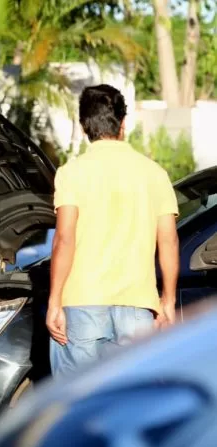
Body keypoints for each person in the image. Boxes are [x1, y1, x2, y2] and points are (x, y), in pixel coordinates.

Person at [46, 84, 180, 378]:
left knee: (76, 404)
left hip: (81, 303)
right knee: (129, 404)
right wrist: (167, 301)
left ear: (84, 126)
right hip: (137, 306)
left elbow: (64, 239)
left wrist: (54, 301)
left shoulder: (72, 172)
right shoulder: (154, 173)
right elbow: (168, 241)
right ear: (123, 123)